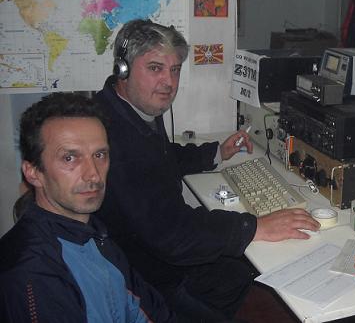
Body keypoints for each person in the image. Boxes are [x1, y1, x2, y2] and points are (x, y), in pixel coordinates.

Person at [95, 19, 319, 322]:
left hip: (153, 255)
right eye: (155, 68)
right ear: (123, 69)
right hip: (147, 280)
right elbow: (173, 235)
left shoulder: (130, 110)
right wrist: (255, 227)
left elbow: (160, 157)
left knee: (239, 273)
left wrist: (214, 153)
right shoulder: (112, 139)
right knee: (239, 267)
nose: (169, 82)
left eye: (175, 70)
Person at [0, 92, 175, 323]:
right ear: (33, 173)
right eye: (70, 158)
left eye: (99, 155)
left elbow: (147, 308)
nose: (93, 174)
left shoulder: (90, 232)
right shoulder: (32, 272)